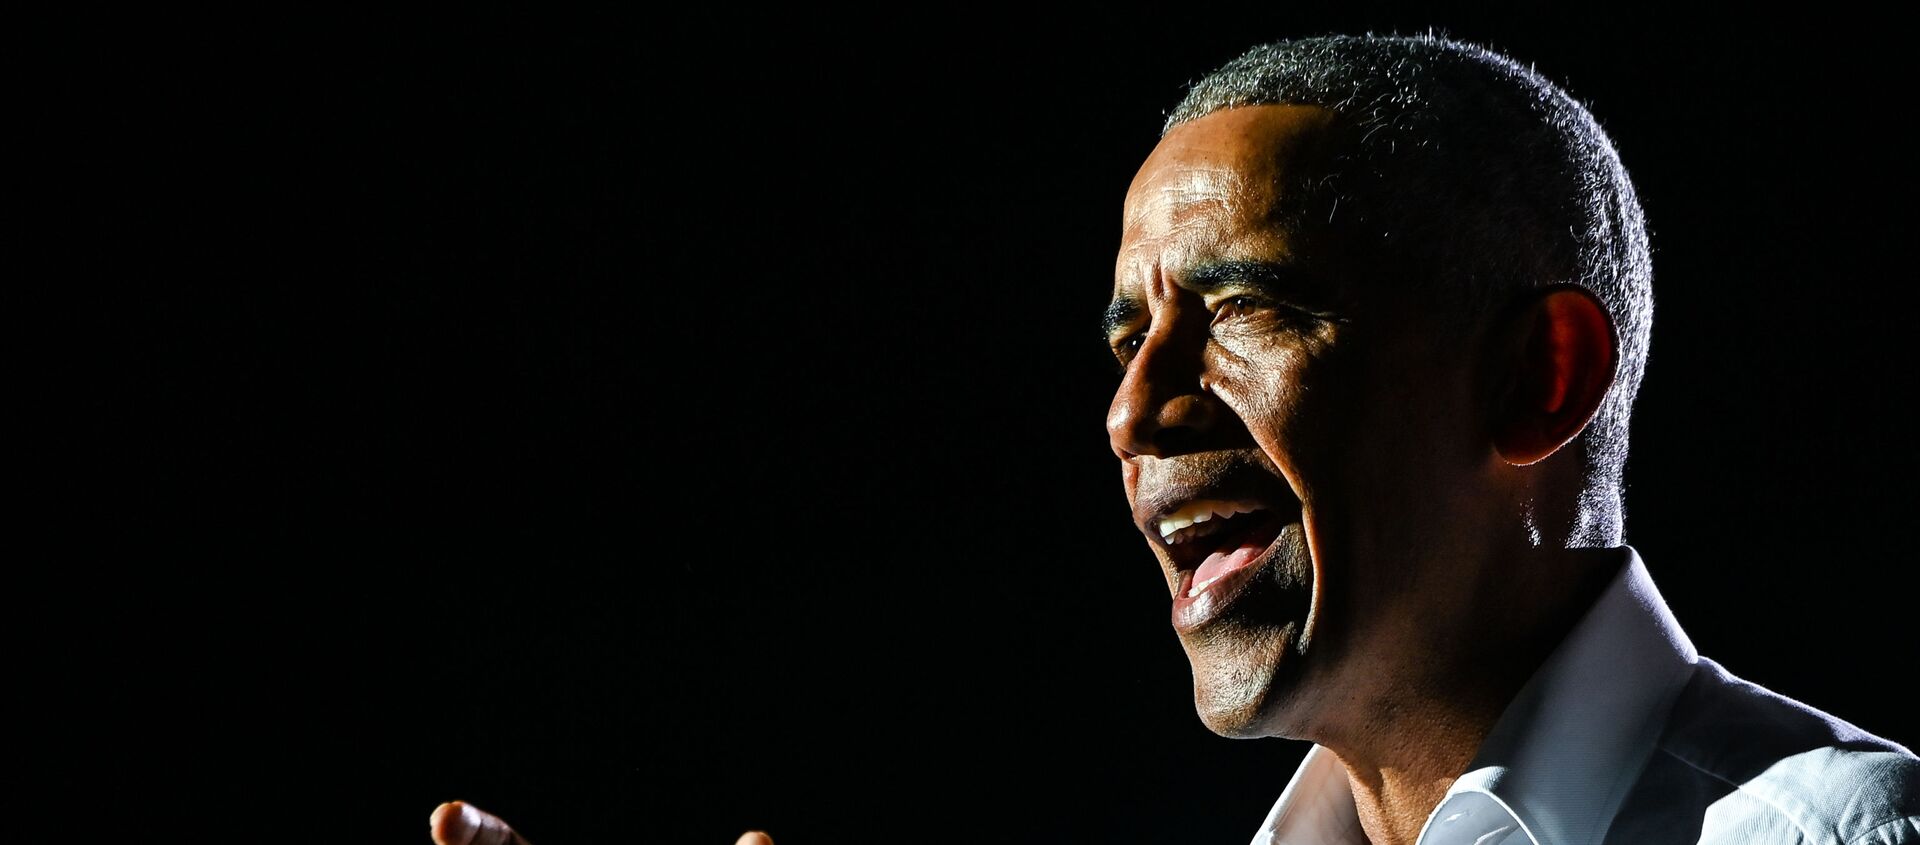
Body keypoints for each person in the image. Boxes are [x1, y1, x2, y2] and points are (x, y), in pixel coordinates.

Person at [428, 34, 1918, 845]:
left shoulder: (1837, 834)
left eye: (1246, 308)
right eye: (1128, 337)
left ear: (1539, 375)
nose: (1135, 409)